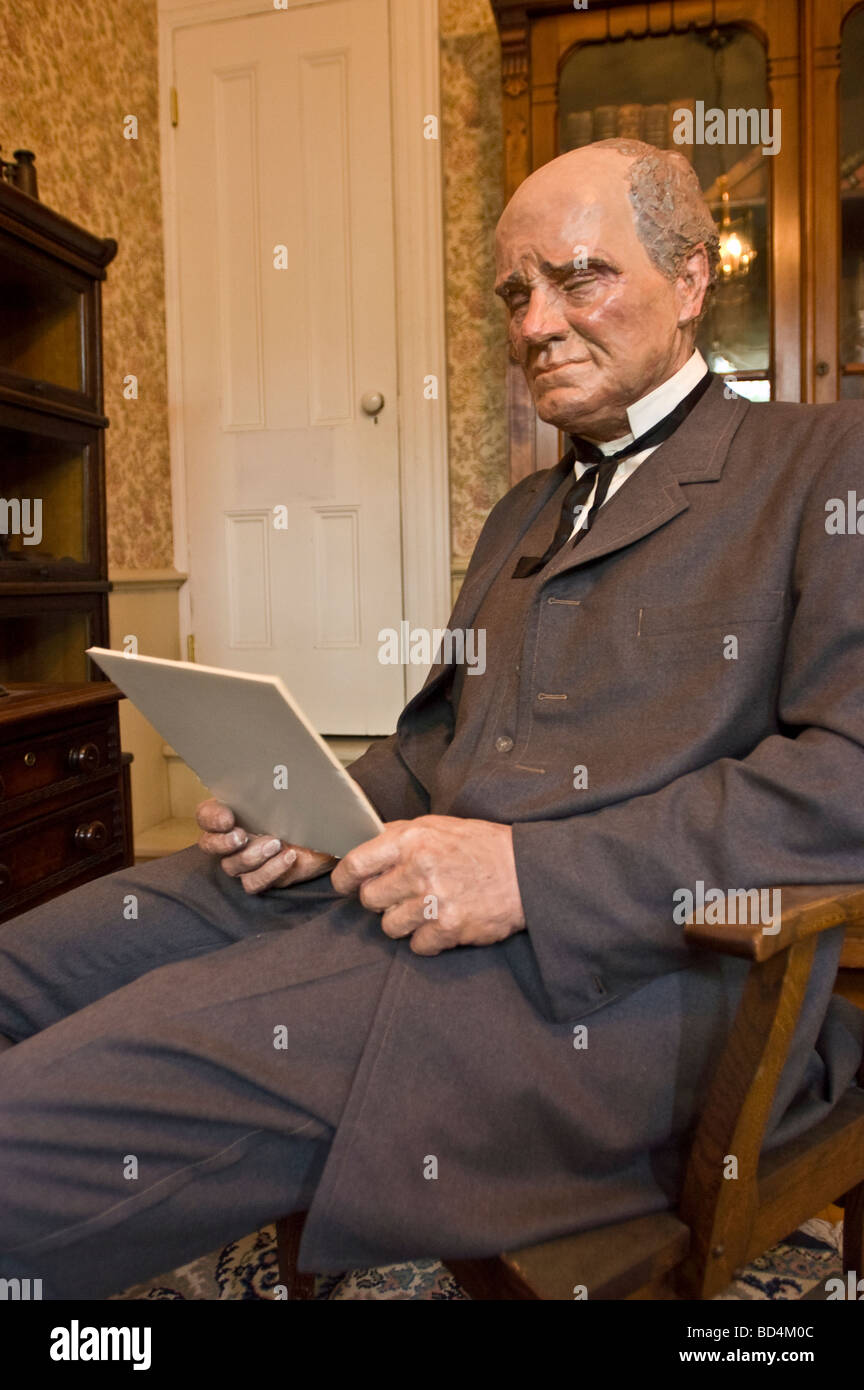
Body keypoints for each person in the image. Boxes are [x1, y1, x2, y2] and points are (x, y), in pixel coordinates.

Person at [1, 140, 863, 1299]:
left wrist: (533, 876)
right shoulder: (521, 512)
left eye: (580, 276)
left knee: (85, 1089)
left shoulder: (822, 465)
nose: (539, 321)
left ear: (693, 279)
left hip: (625, 983)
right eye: (518, 292)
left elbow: (846, 782)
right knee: (47, 957)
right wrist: (316, 814)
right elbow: (434, 750)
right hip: (403, 904)